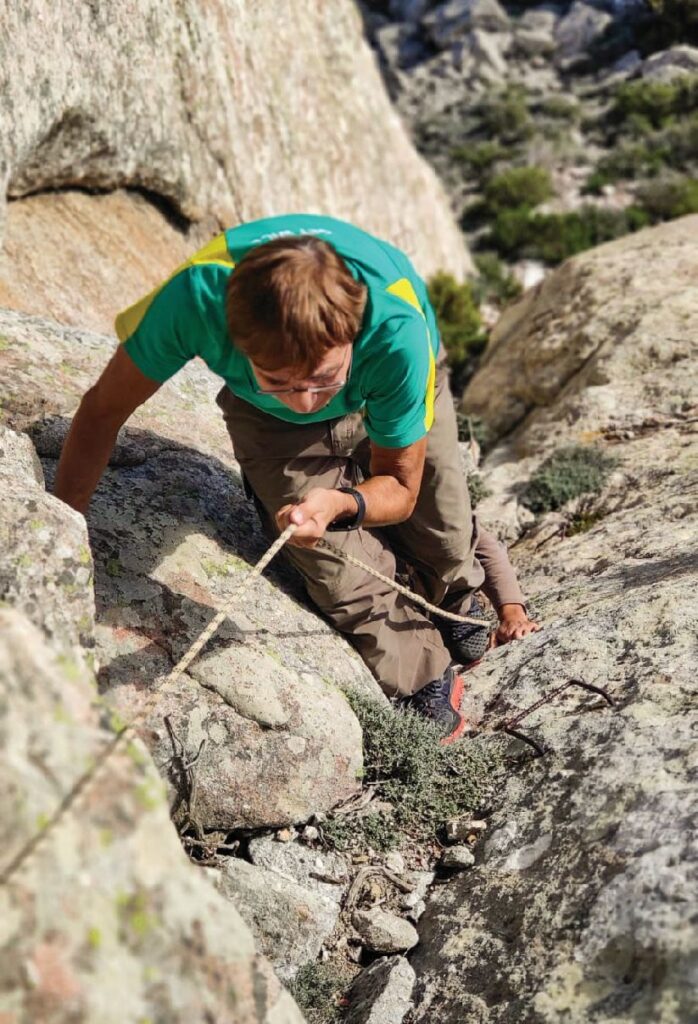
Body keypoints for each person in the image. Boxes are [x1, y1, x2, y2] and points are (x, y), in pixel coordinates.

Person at [55, 213, 539, 745]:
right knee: (335, 573)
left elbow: (400, 487)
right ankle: (422, 669)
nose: (310, 401)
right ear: (234, 339)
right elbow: (101, 412)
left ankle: (456, 590)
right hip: (270, 424)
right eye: (281, 380)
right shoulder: (195, 300)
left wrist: (341, 502)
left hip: (384, 383)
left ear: (354, 330)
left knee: (440, 531)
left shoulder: (396, 331)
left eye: (324, 378)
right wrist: (63, 526)